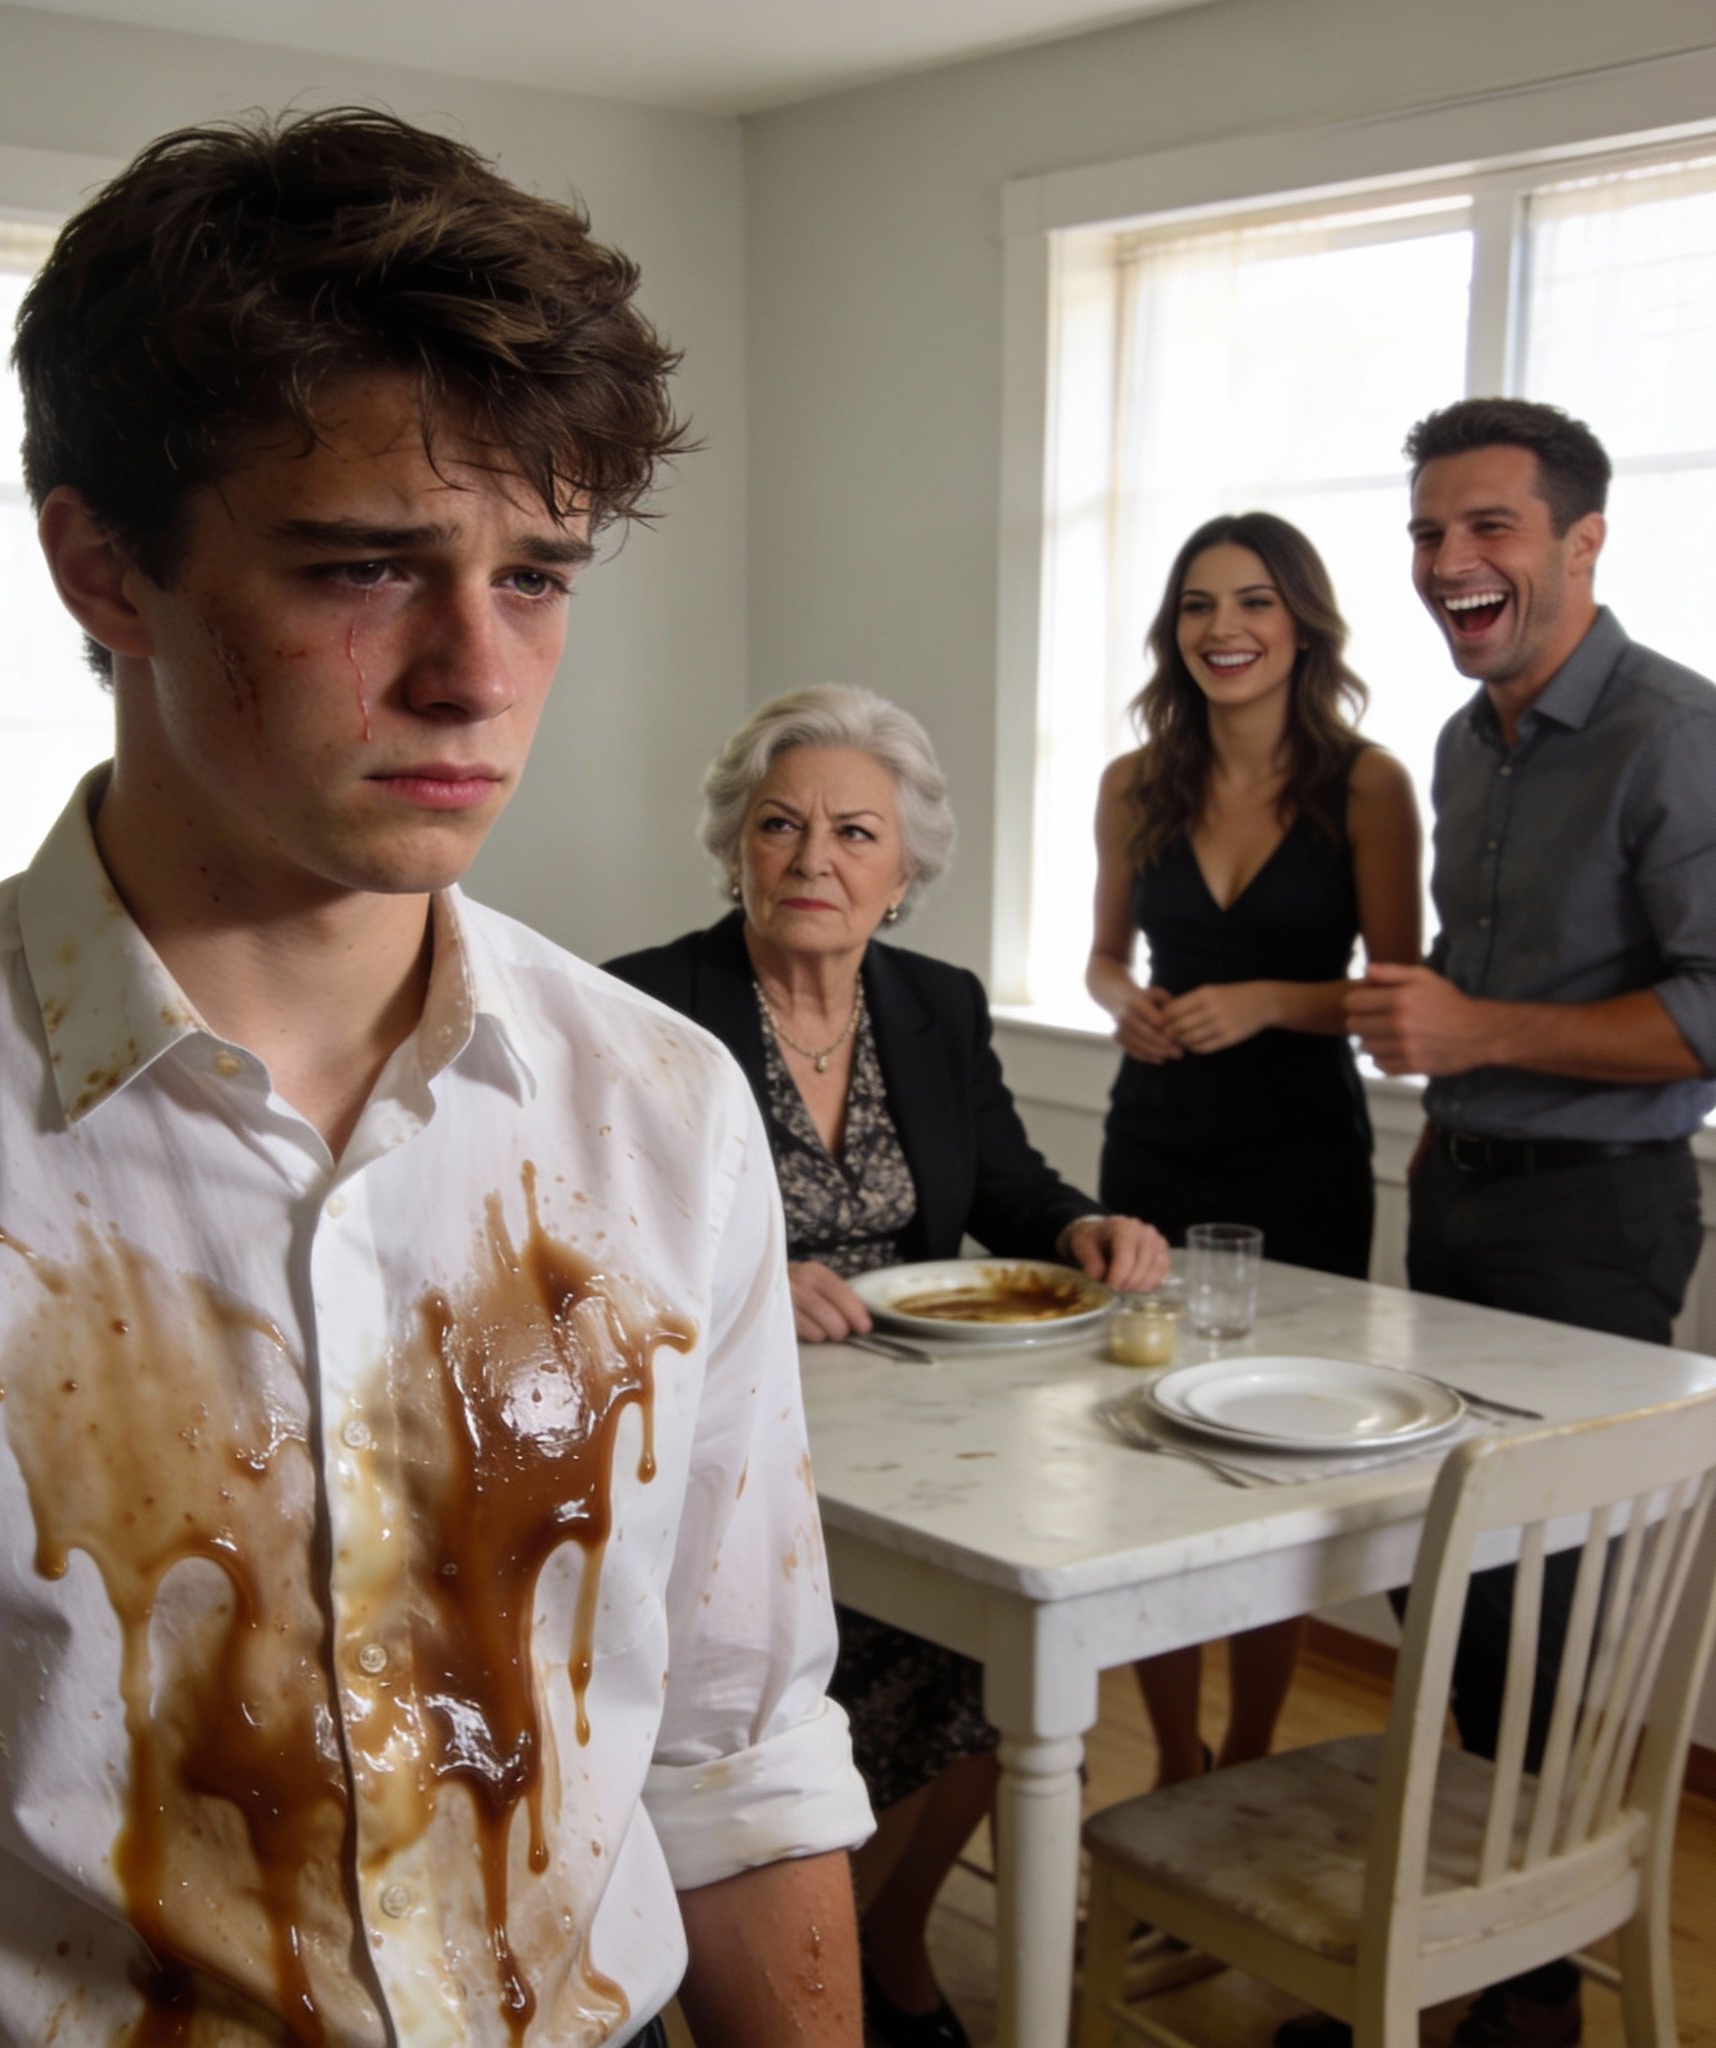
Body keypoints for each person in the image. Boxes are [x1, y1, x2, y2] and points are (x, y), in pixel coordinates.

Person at [0, 111, 877, 2048]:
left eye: (536, 575)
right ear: (105, 569)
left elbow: (741, 1753)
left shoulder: (658, 1105)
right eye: (366, 566)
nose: (477, 673)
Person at [607, 684, 1168, 2048]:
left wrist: (1079, 1225)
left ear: (902, 870)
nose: (815, 858)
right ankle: (782, 1982)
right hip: (727, 1456)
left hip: (914, 1439)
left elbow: (1004, 1181)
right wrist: (744, 1280)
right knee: (798, 1698)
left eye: (855, 832)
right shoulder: (647, 1005)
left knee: (997, 1673)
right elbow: (595, 1245)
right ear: (735, 846)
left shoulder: (935, 1003)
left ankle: (881, 1940)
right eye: (780, 824)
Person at [1333, 397, 1716, 2048]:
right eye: (1428, 531)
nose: (1447, 561)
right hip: (1460, 1199)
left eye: (1487, 526)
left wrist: (1477, 1029)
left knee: (1542, 1599)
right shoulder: (1460, 740)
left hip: (1595, 1222)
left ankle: (1531, 1989)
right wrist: (1442, 1055)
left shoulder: (1673, 734)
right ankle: (1454, 1953)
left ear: (1582, 540)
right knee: (1455, 1581)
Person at [1088, 513, 1422, 1792]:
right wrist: (1122, 999)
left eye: (1251, 601)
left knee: (1285, 1458)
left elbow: (1396, 993)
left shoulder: (1367, 785)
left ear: (1301, 625)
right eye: (1196, 604)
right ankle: (1173, 1755)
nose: (1221, 628)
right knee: (1150, 1445)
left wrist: (1272, 999)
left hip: (1302, 1155)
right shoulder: (1132, 782)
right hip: (1155, 1138)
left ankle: (1248, 1748)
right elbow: (1101, 955)